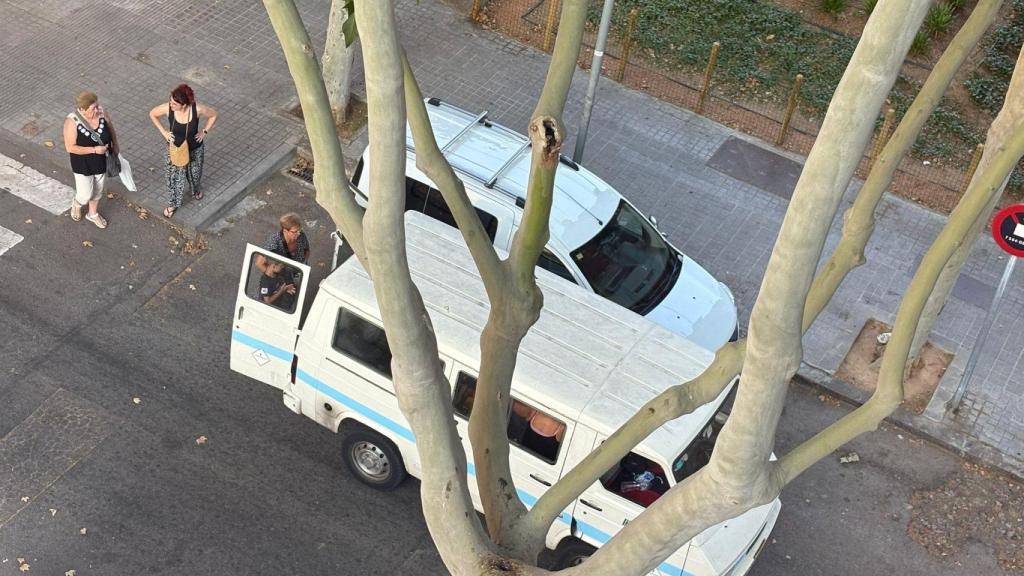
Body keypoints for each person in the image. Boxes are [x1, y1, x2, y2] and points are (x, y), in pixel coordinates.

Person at [148, 84, 218, 218]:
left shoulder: (197, 109)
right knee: (173, 178)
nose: (171, 105)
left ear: (184, 104)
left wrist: (204, 132)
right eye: (171, 101)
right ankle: (173, 204)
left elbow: (214, 115)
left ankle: (195, 189)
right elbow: (152, 114)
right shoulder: (167, 108)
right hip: (174, 150)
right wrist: (164, 132)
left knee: (195, 174)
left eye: (175, 103)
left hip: (194, 149)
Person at [63, 91, 116, 228]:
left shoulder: (102, 113)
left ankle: (92, 214)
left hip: (101, 160)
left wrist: (115, 146)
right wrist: (94, 150)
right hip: (83, 164)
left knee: (98, 190)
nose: (98, 110)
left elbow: (111, 129)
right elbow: (70, 147)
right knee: (85, 194)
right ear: (82, 110)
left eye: (97, 106)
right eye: (94, 108)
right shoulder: (72, 122)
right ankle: (77, 203)